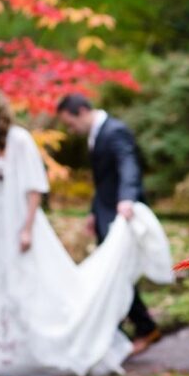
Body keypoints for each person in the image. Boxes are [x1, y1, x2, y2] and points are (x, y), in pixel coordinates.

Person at [0, 90, 173, 376]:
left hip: (24, 226)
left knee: (45, 285)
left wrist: (126, 199)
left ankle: (130, 329)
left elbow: (35, 186)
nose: (68, 129)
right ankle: (7, 349)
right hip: (0, 229)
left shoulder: (24, 139)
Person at [56, 93, 162, 355]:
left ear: (81, 111)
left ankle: (143, 327)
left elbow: (128, 166)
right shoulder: (96, 134)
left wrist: (127, 199)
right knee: (114, 272)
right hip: (105, 213)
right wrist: (94, 212)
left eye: (70, 123)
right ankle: (129, 329)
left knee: (118, 272)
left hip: (120, 214)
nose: (72, 130)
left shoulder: (115, 131)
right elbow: (103, 180)